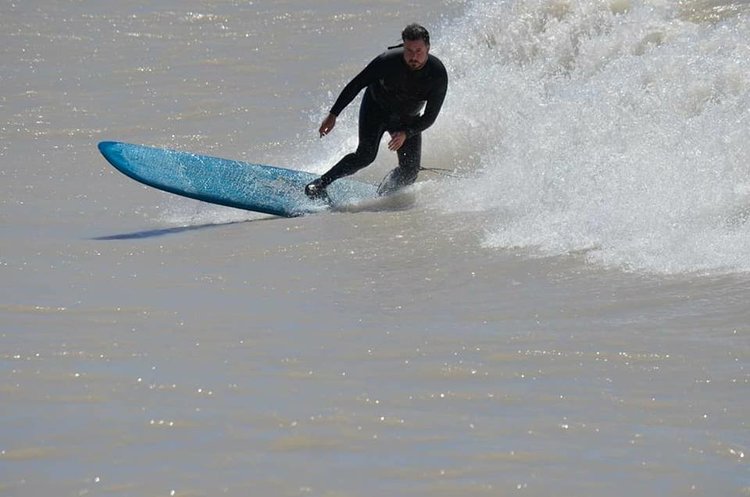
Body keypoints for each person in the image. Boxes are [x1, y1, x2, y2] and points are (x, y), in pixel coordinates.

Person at [305, 23, 448, 200]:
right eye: (409, 50)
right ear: (403, 47)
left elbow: (430, 117)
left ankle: (384, 194)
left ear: (428, 48)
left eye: (418, 51)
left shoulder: (437, 74)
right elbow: (356, 84)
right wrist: (333, 114)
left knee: (410, 171)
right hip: (376, 110)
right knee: (365, 155)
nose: (413, 56)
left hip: (407, 120)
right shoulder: (387, 61)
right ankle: (320, 184)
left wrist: (406, 133)